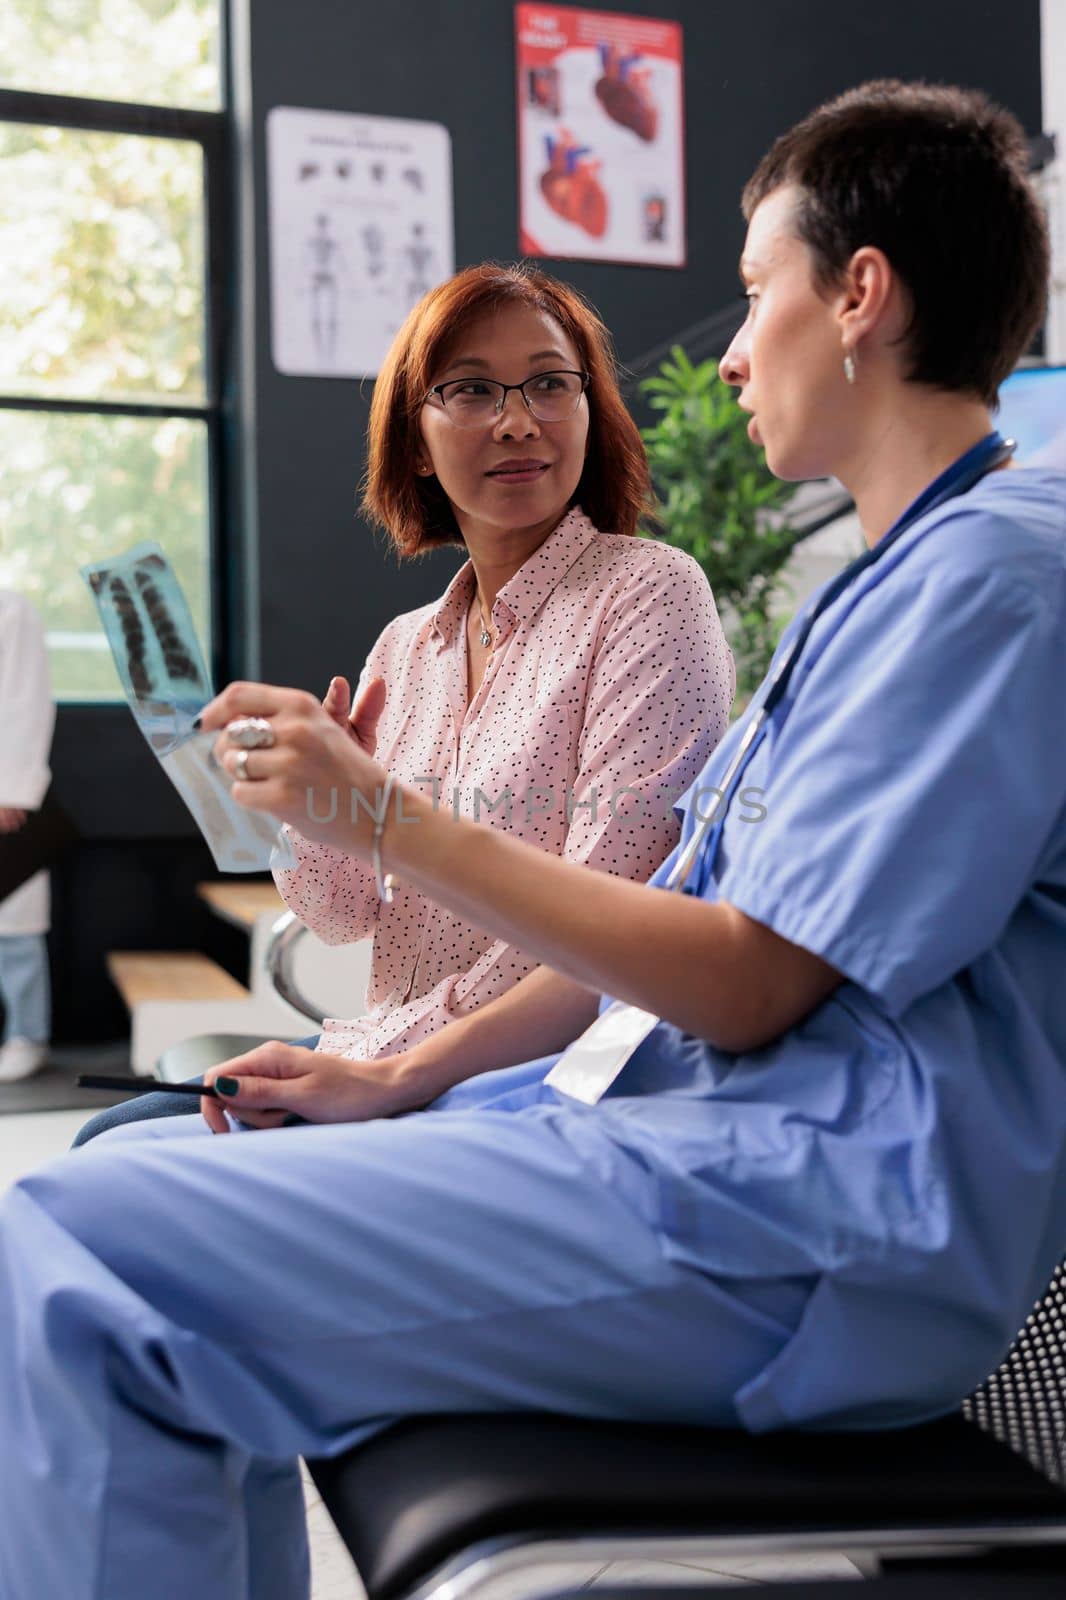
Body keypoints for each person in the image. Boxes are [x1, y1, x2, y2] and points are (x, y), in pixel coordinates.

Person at [2, 79, 1064, 1600]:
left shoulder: (981, 582)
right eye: (470, 392)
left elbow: (741, 977)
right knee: (88, 1206)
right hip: (689, 1136)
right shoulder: (889, 587)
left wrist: (386, 843)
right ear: (415, 432)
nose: (734, 343)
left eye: (756, 289)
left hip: (810, 1213)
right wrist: (340, 844)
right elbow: (669, 930)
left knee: (78, 1252)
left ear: (857, 297)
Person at [72, 262, 733, 1144]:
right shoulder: (407, 645)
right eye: (470, 390)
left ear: (588, 406)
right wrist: (319, 810)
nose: (517, 420)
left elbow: (612, 950)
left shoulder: (648, 593)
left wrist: (390, 1076)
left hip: (513, 1079)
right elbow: (340, 918)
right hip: (383, 1047)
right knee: (108, 1136)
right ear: (415, 440)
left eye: (548, 382)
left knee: (112, 1166)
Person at [0, 589, 55, 1083]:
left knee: (12, 923)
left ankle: (26, 1033)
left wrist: (13, 788)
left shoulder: (9, 607)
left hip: (2, 789)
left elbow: (25, 699)